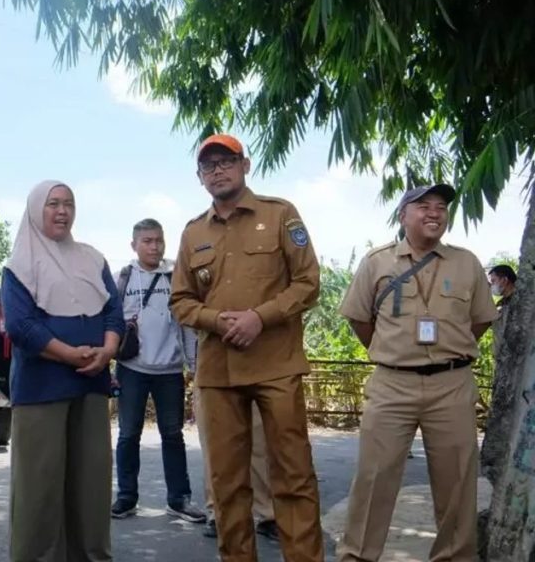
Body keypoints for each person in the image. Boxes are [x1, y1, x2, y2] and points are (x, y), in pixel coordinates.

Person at [170, 134, 324, 562]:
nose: (217, 170)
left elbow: (308, 282)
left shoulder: (280, 215)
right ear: (200, 178)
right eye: (209, 165)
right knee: (227, 483)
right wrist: (216, 320)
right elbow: (180, 300)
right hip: (217, 373)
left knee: (293, 475)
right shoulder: (192, 232)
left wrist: (261, 317)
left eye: (226, 161)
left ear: (246, 165)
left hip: (276, 366)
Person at [337, 184, 498, 561]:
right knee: (374, 478)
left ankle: (456, 557)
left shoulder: (467, 262)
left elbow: (479, 321)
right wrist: (396, 352)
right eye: (423, 206)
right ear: (402, 215)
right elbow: (360, 319)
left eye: (441, 207)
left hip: (452, 384)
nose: (434, 213)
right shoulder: (377, 262)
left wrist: (447, 354)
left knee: (458, 483)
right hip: (392, 384)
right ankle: (357, 556)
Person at [3, 180, 124, 562]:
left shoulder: (93, 258)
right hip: (43, 386)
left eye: (68, 204)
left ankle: (91, 556)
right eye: (53, 203)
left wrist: (106, 350)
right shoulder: (19, 264)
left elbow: (113, 312)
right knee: (40, 486)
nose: (62, 211)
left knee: (91, 483)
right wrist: (70, 354)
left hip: (92, 382)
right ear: (36, 209)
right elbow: (22, 327)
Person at [110, 218, 205, 524]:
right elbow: (109, 325)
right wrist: (108, 364)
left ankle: (179, 499)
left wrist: (194, 366)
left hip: (170, 371)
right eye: (147, 241)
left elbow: (188, 325)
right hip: (131, 369)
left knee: (173, 435)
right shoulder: (121, 279)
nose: (154, 246)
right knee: (128, 435)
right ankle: (126, 497)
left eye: (158, 240)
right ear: (134, 245)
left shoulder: (177, 276)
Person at [194, 390, 278, 541]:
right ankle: (218, 513)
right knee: (215, 447)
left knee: (259, 444)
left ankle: (267, 514)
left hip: (256, 372)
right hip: (212, 374)